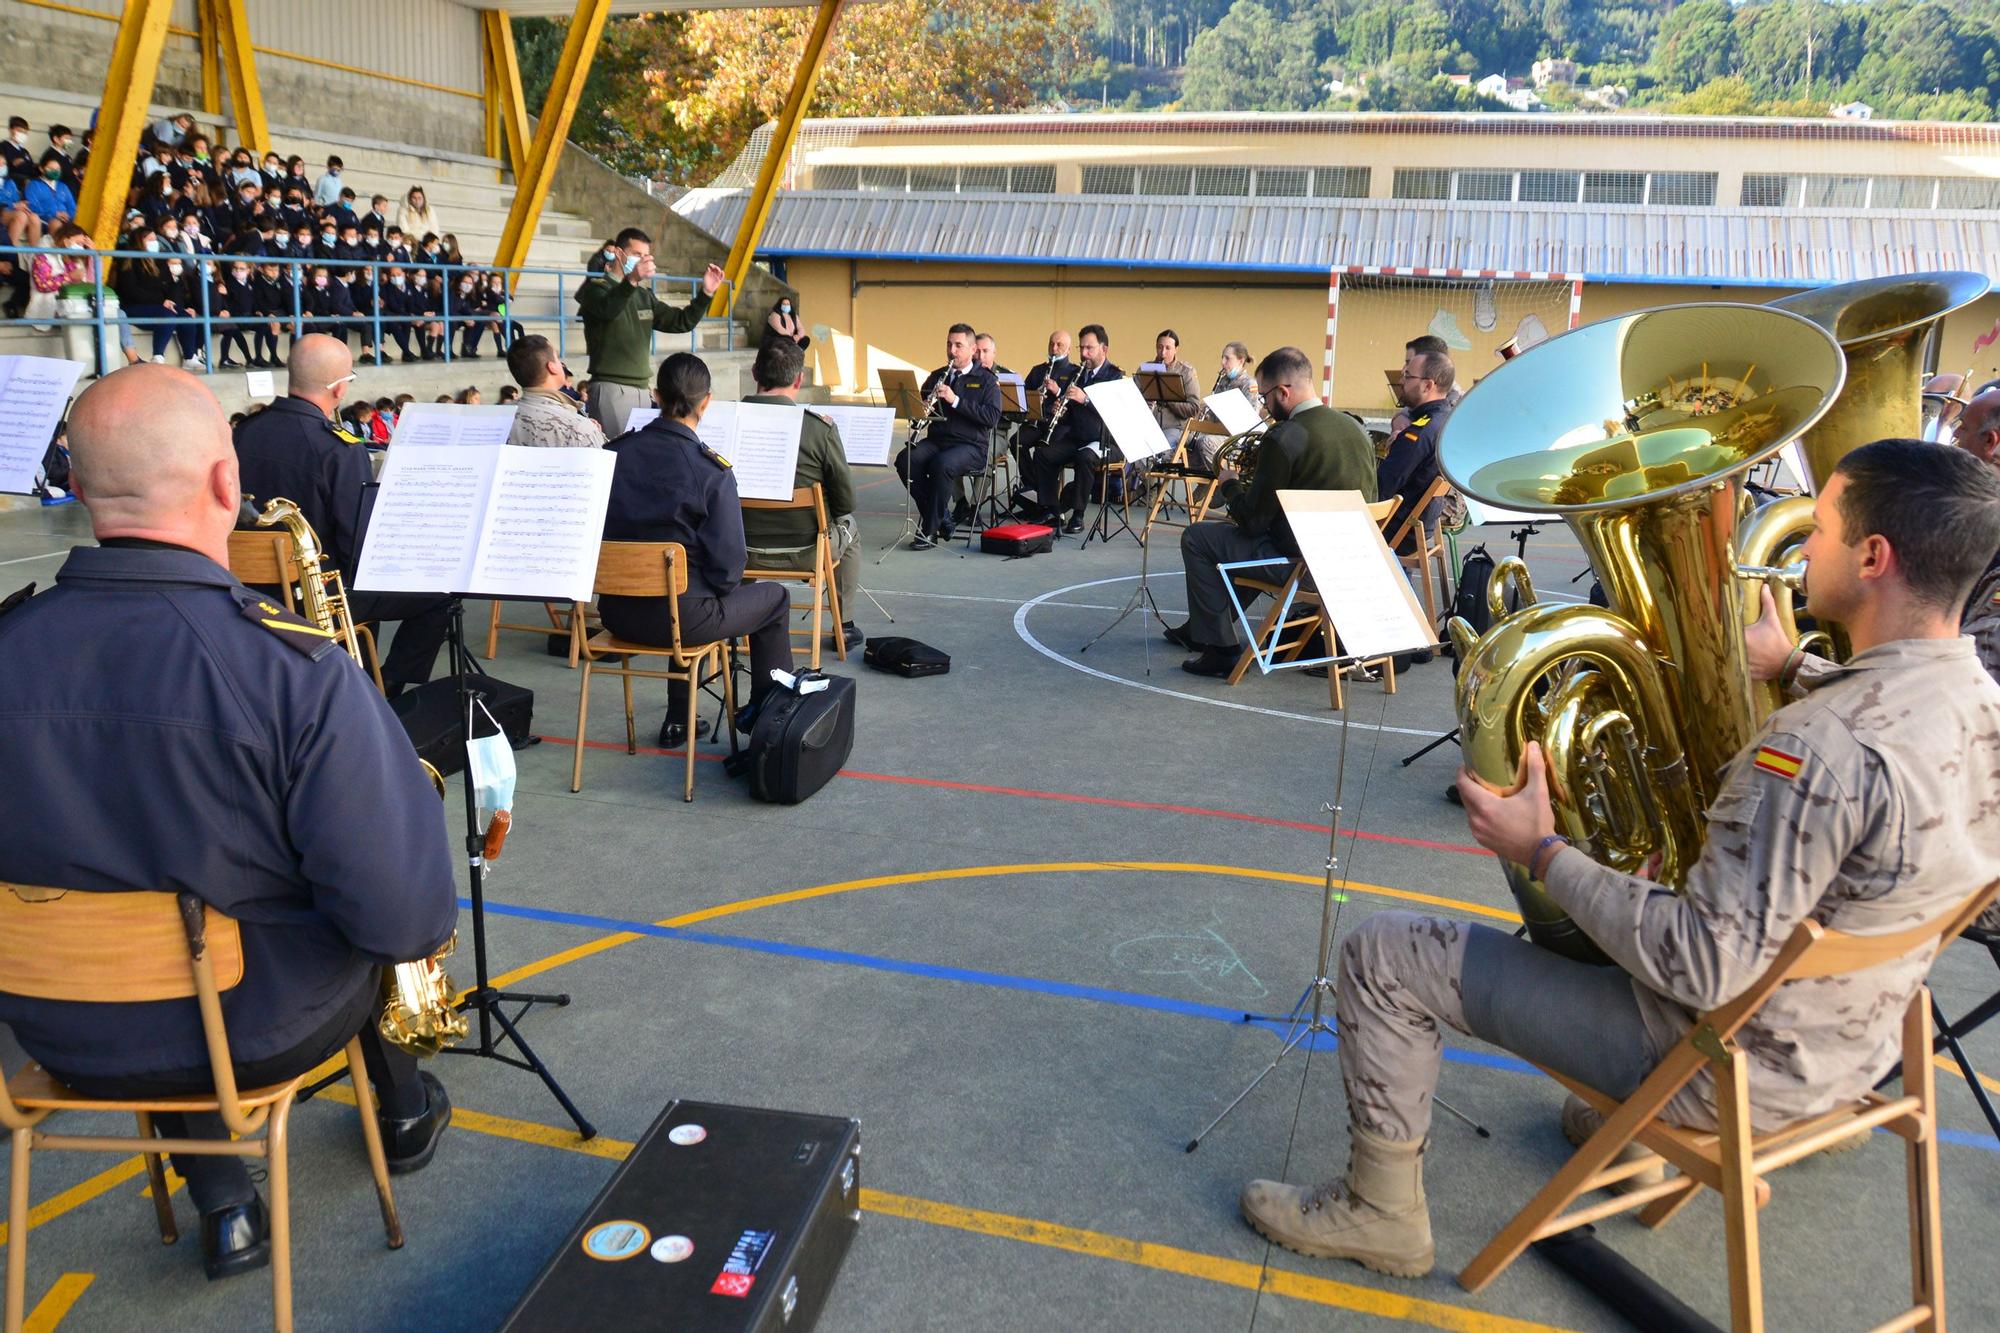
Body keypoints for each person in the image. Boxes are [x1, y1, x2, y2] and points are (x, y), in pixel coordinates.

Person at [1254, 437, 2000, 1278]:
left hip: (1723, 1067)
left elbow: (1699, 963)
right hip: (1851, 1055)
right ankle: (1631, 1139)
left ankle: (1380, 1211)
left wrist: (1538, 848)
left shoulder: (1815, 747)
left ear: (1873, 557)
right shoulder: (1981, 701)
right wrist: (1792, 663)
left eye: (1820, 528)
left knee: (1383, 951)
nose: (1802, 545)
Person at [0, 364, 456, 1282]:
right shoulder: (292, 669)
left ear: (81, 489)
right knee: (329, 910)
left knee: (159, 937)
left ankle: (224, 1207)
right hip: (253, 1030)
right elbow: (405, 920)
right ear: (225, 483)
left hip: (51, 1030)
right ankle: (402, 1107)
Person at [232, 335, 452, 694]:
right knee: (441, 594)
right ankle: (387, 686)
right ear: (337, 389)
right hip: (318, 597)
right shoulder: (337, 449)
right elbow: (359, 546)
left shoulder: (243, 434)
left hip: (248, 592)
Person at [601, 353, 795, 745]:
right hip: (683, 622)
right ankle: (771, 724)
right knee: (773, 598)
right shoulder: (711, 472)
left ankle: (679, 717)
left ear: (655, 396)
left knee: (686, 591)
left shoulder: (612, 456)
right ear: (706, 402)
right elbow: (728, 571)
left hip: (616, 613)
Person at [1163, 346, 1377, 677]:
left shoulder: (1285, 436)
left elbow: (1252, 521)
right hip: (1351, 563)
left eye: (1264, 396)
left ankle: (1220, 649)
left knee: (1199, 537)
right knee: (1241, 545)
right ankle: (1203, 627)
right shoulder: (1355, 429)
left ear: (1283, 392)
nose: (1263, 404)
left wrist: (1231, 485)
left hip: (1302, 567)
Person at [741, 335, 862, 649]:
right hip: (807, 551)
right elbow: (845, 502)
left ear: (754, 373)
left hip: (739, 550)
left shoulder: (724, 419)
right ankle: (843, 626)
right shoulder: (819, 428)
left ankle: (732, 616)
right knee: (851, 527)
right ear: (799, 379)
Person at [576, 228, 726, 436]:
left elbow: (681, 322)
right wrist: (632, 281)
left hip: (642, 389)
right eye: (637, 254)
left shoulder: (643, 296)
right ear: (620, 254)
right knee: (616, 454)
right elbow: (608, 310)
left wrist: (706, 293)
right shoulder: (596, 289)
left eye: (646, 256)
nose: (643, 260)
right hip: (611, 388)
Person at [895, 323, 1002, 548]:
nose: (952, 350)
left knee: (941, 465)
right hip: (937, 441)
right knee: (905, 459)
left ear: (973, 350)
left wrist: (956, 400)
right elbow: (917, 416)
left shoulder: (987, 380)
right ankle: (942, 516)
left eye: (958, 345)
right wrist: (920, 409)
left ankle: (929, 531)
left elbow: (992, 417)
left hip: (971, 446)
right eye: (949, 344)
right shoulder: (936, 376)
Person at [1022, 324, 1121, 534]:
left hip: (1104, 439)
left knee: (1084, 458)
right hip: (1077, 435)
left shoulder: (1114, 376)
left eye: (1089, 348)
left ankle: (1078, 514)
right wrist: (1061, 405)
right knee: (1043, 455)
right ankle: (1050, 509)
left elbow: (1113, 412)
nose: (1084, 354)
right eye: (1081, 348)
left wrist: (1085, 400)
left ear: (1104, 349)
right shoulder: (1079, 373)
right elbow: (1071, 411)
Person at [1378, 349, 1452, 547]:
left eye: (1408, 376)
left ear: (1428, 385)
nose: (1401, 382)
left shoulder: (1420, 432)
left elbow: (1382, 487)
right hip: (1420, 524)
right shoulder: (1447, 419)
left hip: (1396, 529)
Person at [114, 228, 203, 367]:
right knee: (167, 315)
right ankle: (158, 355)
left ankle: (189, 357)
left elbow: (171, 287)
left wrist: (172, 302)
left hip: (160, 305)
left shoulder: (160, 261)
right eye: (149, 240)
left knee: (186, 316)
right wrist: (161, 301)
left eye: (154, 239)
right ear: (139, 242)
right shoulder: (129, 261)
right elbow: (130, 290)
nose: (154, 242)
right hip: (134, 306)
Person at [503, 334, 604, 449]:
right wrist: (589, 431)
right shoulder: (579, 428)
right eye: (557, 359)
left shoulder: (498, 419)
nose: (561, 364)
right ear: (552, 367)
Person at [1144, 328, 1204, 458]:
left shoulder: (1187, 372)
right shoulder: (1146, 369)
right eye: (1160, 347)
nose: (1163, 353)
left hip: (1175, 429)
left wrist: (1168, 398)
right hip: (1148, 427)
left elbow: (1194, 408)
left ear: (1176, 349)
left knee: (1159, 453)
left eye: (1168, 348)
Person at [212, 258, 255, 368]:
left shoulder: (251, 283)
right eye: (235, 268)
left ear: (249, 270)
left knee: (265, 326)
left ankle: (257, 358)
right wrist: (225, 295)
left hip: (249, 317)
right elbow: (226, 304)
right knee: (232, 330)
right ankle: (244, 359)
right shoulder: (227, 283)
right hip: (234, 316)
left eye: (241, 268)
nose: (238, 271)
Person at [23, 150, 75, 229]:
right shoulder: (33, 185)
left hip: (66, 220)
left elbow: (72, 206)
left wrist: (68, 216)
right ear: (41, 169)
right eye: (51, 168)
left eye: (57, 169)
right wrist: (55, 213)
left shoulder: (63, 186)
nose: (55, 171)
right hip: (44, 220)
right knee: (57, 225)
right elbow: (32, 206)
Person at [1213, 340, 1262, 416]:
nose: (1222, 362)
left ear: (1241, 361)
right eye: (1222, 357)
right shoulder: (1223, 380)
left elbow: (1252, 415)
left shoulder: (1250, 384)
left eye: (1227, 358)